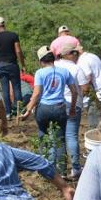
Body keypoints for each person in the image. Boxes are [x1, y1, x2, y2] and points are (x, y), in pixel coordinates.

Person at [21, 46, 76, 175]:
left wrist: (28, 109)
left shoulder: (40, 73)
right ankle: (62, 171)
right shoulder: (64, 71)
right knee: (60, 139)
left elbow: (36, 94)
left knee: (43, 135)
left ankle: (44, 168)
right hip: (59, 107)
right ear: (53, 58)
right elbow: (74, 91)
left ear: (41, 61)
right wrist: (72, 108)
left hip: (44, 108)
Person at [54, 44, 88, 178]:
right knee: (71, 136)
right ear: (69, 54)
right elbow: (85, 88)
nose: (77, 55)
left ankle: (61, 170)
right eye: (75, 53)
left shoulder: (54, 66)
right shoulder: (76, 68)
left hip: (55, 104)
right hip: (73, 104)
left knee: (59, 137)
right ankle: (75, 168)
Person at [0, 16, 26, 118]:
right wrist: (23, 64)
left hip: (0, 65)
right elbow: (18, 51)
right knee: (16, 88)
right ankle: (20, 111)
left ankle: (8, 113)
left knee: (5, 89)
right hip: (12, 64)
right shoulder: (13, 35)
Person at [76, 45, 101, 127]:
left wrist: (81, 95)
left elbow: (88, 78)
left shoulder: (82, 61)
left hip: (99, 93)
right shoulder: (92, 56)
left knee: (94, 121)